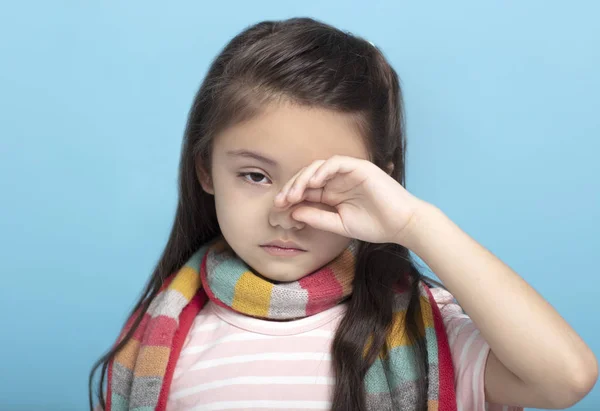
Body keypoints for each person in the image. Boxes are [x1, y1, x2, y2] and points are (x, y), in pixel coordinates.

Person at [89, 17, 597, 411]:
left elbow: (566, 378)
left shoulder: (429, 331)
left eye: (323, 183)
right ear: (206, 171)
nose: (285, 214)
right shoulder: (160, 342)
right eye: (255, 176)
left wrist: (413, 223)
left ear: (379, 182)